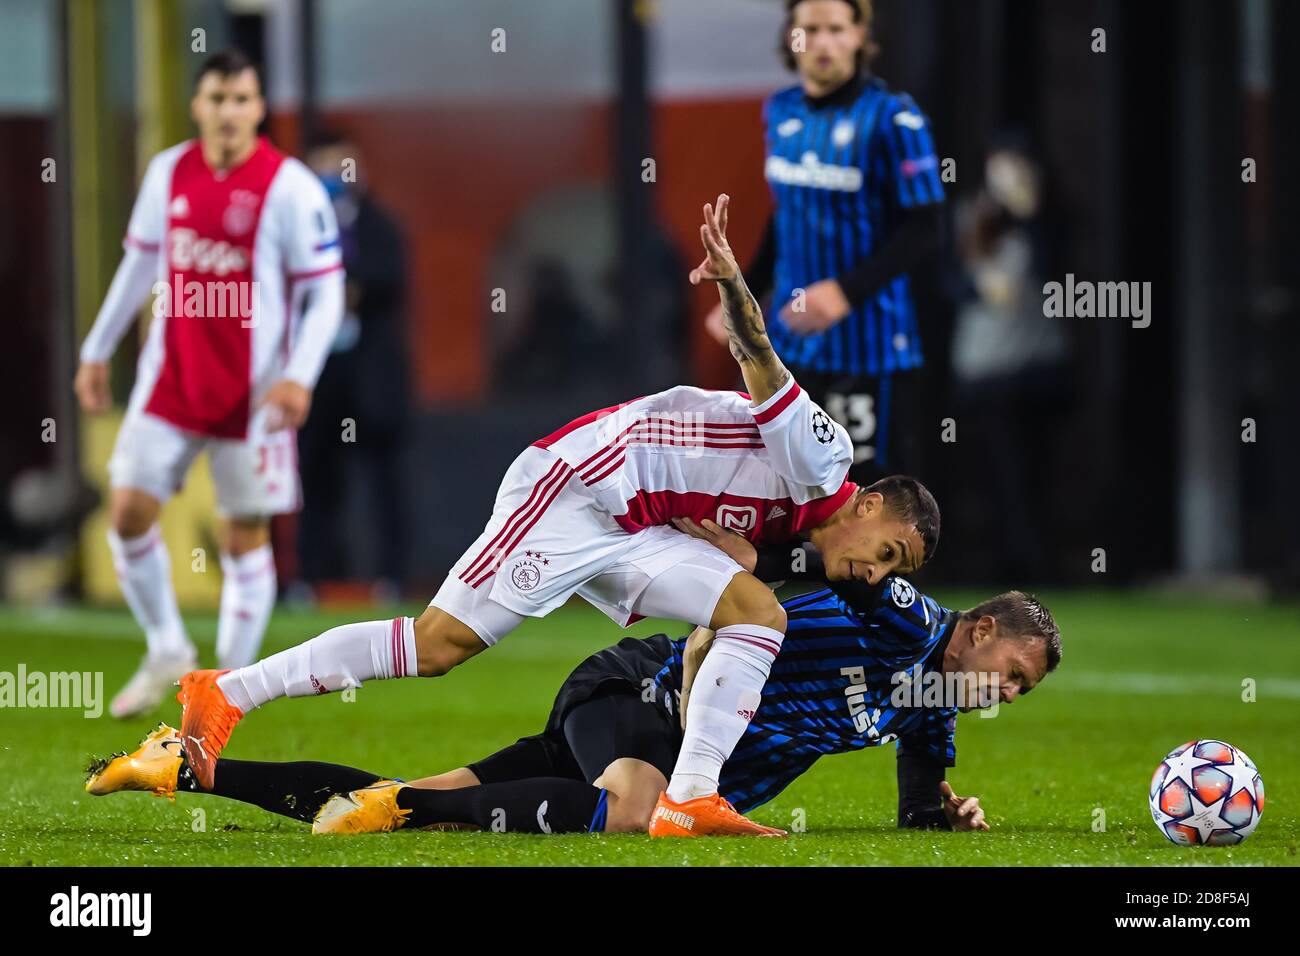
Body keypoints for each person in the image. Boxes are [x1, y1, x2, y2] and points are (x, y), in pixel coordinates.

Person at [174, 194, 940, 838]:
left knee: (756, 613)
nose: (877, 573)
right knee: (439, 645)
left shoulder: (791, 535)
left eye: (893, 572)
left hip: (634, 527)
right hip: (578, 487)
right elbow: (758, 357)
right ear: (870, 505)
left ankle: (692, 798)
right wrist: (737, 288)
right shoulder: (827, 460)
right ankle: (227, 691)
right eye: (890, 551)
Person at [87, 541, 1060, 836]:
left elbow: (917, 806)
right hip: (639, 696)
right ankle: (404, 806)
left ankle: (188, 768)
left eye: (1017, 694)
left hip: (644, 734)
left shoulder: (932, 704)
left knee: (410, 791)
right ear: (977, 629)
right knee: (633, 809)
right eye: (1009, 674)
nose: (1002, 695)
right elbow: (751, 615)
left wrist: (946, 812)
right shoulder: (883, 615)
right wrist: (694, 657)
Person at [73, 50, 344, 717]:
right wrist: (97, 348)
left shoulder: (291, 188)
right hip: (170, 386)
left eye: (242, 99)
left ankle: (223, 689)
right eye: (217, 98)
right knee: (129, 512)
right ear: (198, 105)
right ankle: (167, 645)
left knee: (241, 538)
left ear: (258, 109)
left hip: (252, 400)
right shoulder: (168, 172)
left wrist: (297, 379)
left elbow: (326, 294)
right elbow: (139, 267)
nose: (228, 112)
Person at [707, 0, 946, 480]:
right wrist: (741, 295)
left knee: (859, 493)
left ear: (859, 37)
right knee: (772, 484)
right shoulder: (781, 110)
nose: (821, 43)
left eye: (836, 29)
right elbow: (786, 217)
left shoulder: (893, 118)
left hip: (867, 349)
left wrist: (845, 291)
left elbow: (925, 225)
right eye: (808, 30)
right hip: (787, 345)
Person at [295, 135, 412, 598]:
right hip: (320, 372)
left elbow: (390, 280)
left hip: (371, 376)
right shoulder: (298, 229)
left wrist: (349, 284)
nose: (337, 174)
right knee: (316, 476)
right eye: (326, 164)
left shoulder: (381, 226)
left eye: (345, 164)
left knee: (385, 481)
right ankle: (308, 578)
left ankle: (392, 577)